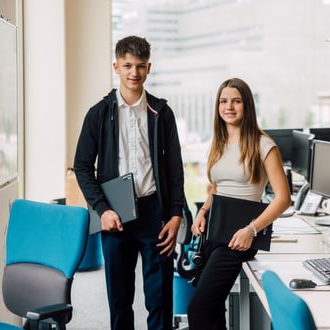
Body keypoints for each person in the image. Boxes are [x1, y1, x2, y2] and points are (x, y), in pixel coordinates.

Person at [73, 36, 184, 330]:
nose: (134, 72)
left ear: (148, 68)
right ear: (116, 67)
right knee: (120, 302)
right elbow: (83, 167)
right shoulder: (98, 114)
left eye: (139, 66)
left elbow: (175, 169)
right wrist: (102, 209)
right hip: (115, 214)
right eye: (127, 66)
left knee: (160, 300)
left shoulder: (162, 113)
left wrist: (175, 215)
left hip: (154, 214)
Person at [187, 77, 291, 329]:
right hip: (215, 230)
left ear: (247, 106)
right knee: (211, 308)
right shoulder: (219, 142)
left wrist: (251, 230)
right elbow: (217, 186)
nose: (229, 107)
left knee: (197, 308)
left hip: (240, 236)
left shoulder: (263, 144)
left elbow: (283, 199)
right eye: (223, 101)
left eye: (236, 101)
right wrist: (202, 212)